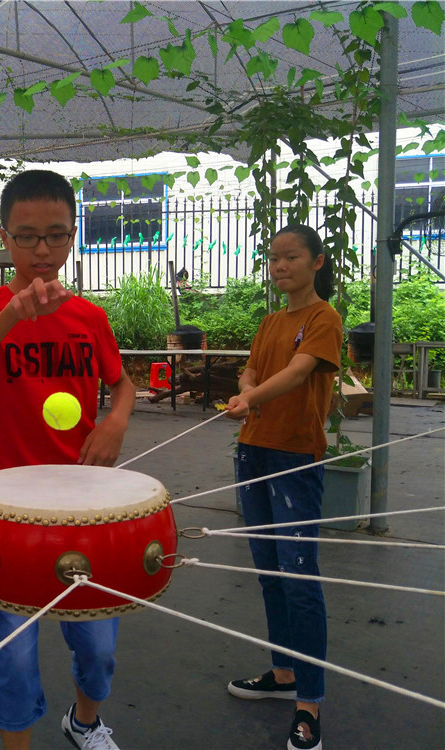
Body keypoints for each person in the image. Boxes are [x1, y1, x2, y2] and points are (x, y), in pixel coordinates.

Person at [0, 170, 135, 750]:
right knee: (13, 653)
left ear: (74, 235)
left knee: (99, 644)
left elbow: (122, 383)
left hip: (85, 505)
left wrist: (115, 421)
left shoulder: (89, 317)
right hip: (7, 511)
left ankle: (84, 721)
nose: (43, 250)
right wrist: (14, 315)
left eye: (56, 235)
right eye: (27, 236)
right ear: (6, 239)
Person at [224, 224, 341, 750]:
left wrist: (251, 396)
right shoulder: (271, 321)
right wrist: (247, 390)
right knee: (269, 571)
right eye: (273, 257)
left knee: (299, 579)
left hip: (294, 456)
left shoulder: (323, 318)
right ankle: (284, 674)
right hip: (252, 451)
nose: (280, 265)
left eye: (290, 256)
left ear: (317, 262)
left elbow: (297, 374)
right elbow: (252, 370)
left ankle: (309, 702)